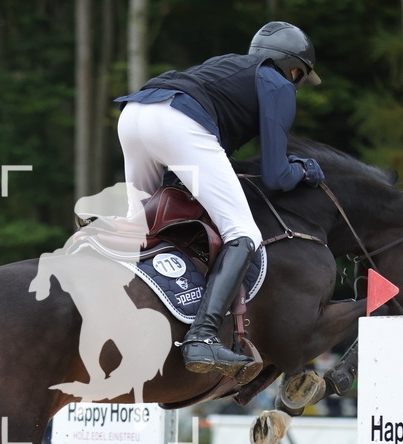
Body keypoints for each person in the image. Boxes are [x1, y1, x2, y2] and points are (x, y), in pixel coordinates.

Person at [115, 21, 324, 379]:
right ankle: (203, 335)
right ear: (294, 69)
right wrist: (305, 171)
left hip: (135, 114)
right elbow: (276, 174)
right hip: (178, 124)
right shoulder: (277, 84)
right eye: (299, 76)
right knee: (243, 234)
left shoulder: (228, 65)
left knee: (143, 228)